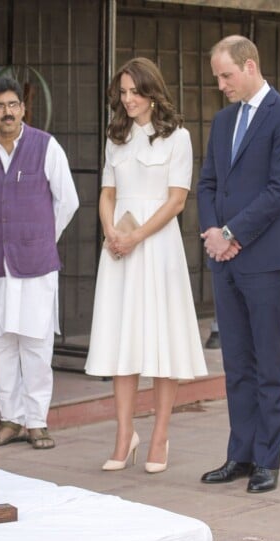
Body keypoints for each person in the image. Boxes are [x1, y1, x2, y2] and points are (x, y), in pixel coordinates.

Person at [197, 35, 280, 493]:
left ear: (248, 66)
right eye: (217, 77)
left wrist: (231, 234)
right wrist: (212, 233)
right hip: (225, 261)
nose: (220, 85)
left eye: (225, 76)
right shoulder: (223, 122)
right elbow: (206, 184)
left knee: (268, 362)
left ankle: (268, 458)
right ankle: (239, 455)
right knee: (237, 362)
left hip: (264, 260)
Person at [85, 57, 207, 474]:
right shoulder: (115, 138)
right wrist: (111, 233)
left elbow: (176, 201)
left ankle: (159, 435)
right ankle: (124, 435)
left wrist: (136, 236)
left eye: (135, 91)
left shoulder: (178, 138)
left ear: (152, 92)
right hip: (119, 250)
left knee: (161, 341)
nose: (128, 99)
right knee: (124, 341)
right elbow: (107, 193)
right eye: (122, 92)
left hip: (157, 248)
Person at [0, 77, 79, 450]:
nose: (7, 112)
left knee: (35, 342)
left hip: (35, 263)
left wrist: (40, 237)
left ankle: (37, 421)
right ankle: (11, 418)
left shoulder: (46, 147)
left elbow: (68, 201)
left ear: (23, 109)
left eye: (13, 104)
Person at [204, 183, 280, 350]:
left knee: (268, 344)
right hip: (227, 241)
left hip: (265, 244)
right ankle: (218, 325)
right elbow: (209, 184)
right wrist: (218, 234)